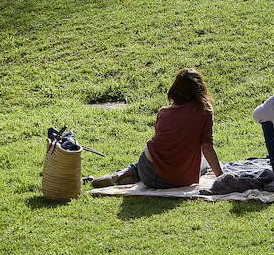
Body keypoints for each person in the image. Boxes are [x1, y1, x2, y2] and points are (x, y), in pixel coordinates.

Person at [89, 68, 225, 189]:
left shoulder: (163, 112)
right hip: (180, 180)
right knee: (204, 163)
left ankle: (121, 174)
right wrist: (222, 178)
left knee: (155, 154)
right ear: (200, 89)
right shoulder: (205, 111)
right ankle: (130, 175)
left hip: (148, 172)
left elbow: (166, 145)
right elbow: (207, 147)